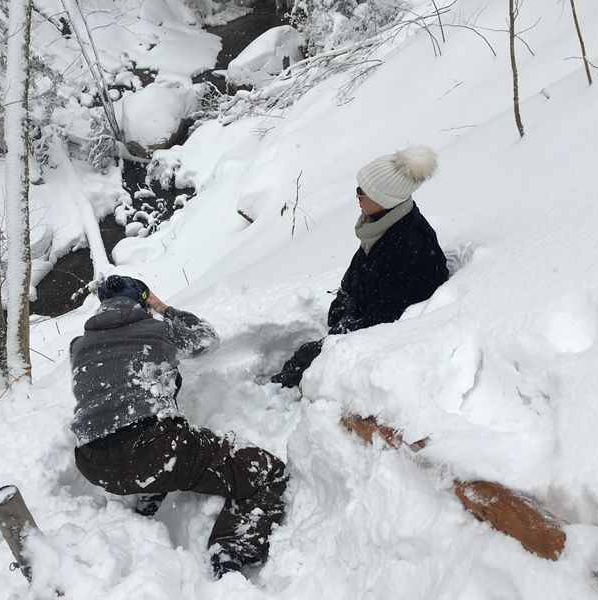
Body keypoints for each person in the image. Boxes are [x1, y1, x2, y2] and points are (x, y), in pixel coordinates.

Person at [70, 275, 288, 578]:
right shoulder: (158, 330)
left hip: (93, 464)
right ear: (142, 301)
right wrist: (163, 309)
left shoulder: (78, 346)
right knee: (267, 473)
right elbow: (206, 338)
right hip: (154, 450)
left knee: (145, 431)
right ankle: (231, 552)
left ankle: (148, 494)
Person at [271, 145, 449, 388]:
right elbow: (357, 272)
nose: (357, 195)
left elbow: (389, 316)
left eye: (362, 191)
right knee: (305, 357)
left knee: (305, 360)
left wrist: (344, 331)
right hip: (362, 322)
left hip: (381, 344)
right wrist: (342, 305)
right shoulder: (382, 225)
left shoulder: (410, 247)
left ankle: (277, 393)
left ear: (385, 199)